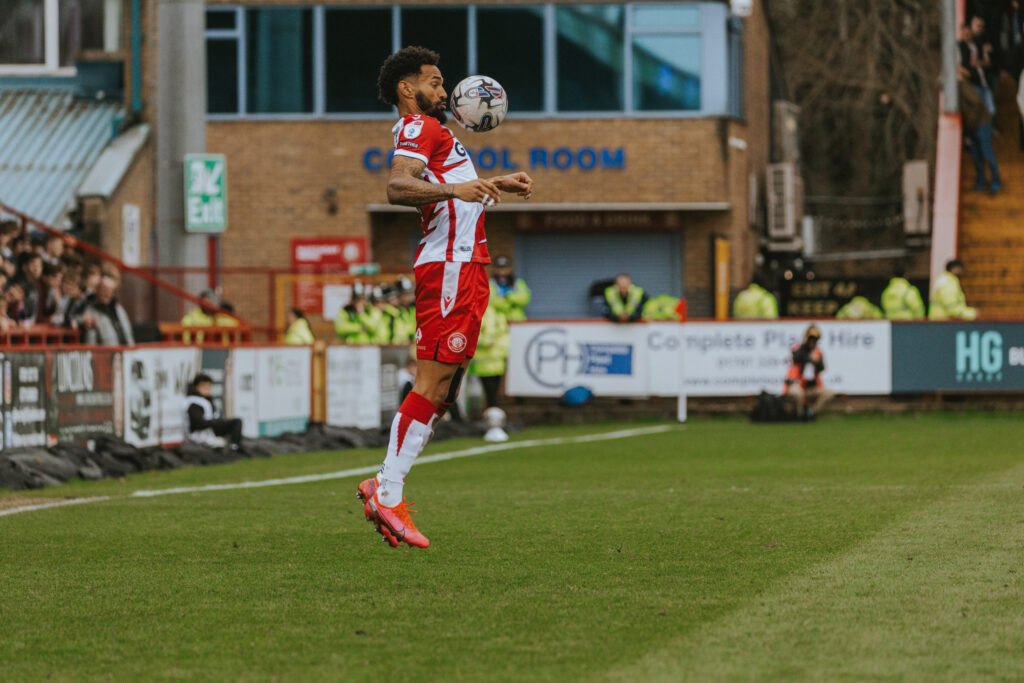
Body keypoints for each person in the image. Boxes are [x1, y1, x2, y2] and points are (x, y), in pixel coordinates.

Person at [356, 45, 533, 549]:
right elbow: (396, 187)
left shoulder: (437, 134)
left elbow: (446, 191)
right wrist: (460, 192)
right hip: (450, 268)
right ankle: (386, 492)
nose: (443, 91)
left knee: (444, 391)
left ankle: (387, 489)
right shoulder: (420, 127)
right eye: (434, 82)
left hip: (466, 267)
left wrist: (488, 184)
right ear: (407, 89)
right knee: (431, 384)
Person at [782, 325, 833, 421]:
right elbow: (796, 357)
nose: (812, 341)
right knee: (797, 393)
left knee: (828, 393)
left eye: (815, 339)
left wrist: (817, 361)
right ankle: (799, 414)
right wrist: (809, 357)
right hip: (797, 385)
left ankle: (811, 412)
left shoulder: (818, 353)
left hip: (811, 387)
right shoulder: (798, 349)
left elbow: (822, 368)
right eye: (810, 338)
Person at [468, 299, 510, 411]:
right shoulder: (480, 312)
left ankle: (492, 419)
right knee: (488, 396)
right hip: (483, 364)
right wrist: (487, 341)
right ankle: (489, 419)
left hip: (496, 361)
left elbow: (504, 334)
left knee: (493, 395)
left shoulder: (499, 312)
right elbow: (471, 333)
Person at [184, 374, 242, 450]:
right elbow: (199, 423)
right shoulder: (194, 402)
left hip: (209, 430)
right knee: (235, 422)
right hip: (199, 435)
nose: (207, 389)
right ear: (196, 387)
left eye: (209, 386)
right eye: (204, 386)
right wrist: (215, 422)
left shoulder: (207, 399)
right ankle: (233, 447)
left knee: (236, 422)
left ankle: (234, 446)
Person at [80, 275, 135, 345]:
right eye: (104, 289)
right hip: (106, 354)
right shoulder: (90, 311)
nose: (107, 293)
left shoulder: (119, 309)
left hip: (126, 353)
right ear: (98, 290)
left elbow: (129, 335)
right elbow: (90, 343)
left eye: (111, 291)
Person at [489, 256, 531, 322]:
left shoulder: (518, 282)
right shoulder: (491, 284)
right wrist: (512, 303)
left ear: (510, 268)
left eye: (505, 267)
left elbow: (525, 299)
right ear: (495, 269)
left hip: (518, 321)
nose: (502, 270)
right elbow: (492, 301)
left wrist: (508, 296)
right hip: (498, 323)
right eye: (500, 267)